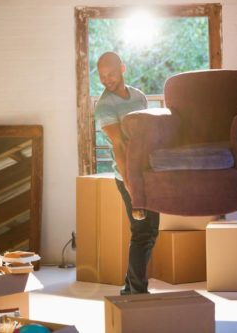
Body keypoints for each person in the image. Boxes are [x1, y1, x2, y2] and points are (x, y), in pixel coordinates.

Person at [94, 51, 160, 295]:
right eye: (102, 76)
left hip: (149, 173)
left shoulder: (139, 96)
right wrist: (132, 185)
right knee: (142, 232)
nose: (106, 80)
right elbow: (119, 146)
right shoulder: (104, 106)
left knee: (151, 231)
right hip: (129, 177)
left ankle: (130, 287)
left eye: (110, 74)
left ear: (122, 68)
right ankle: (137, 292)